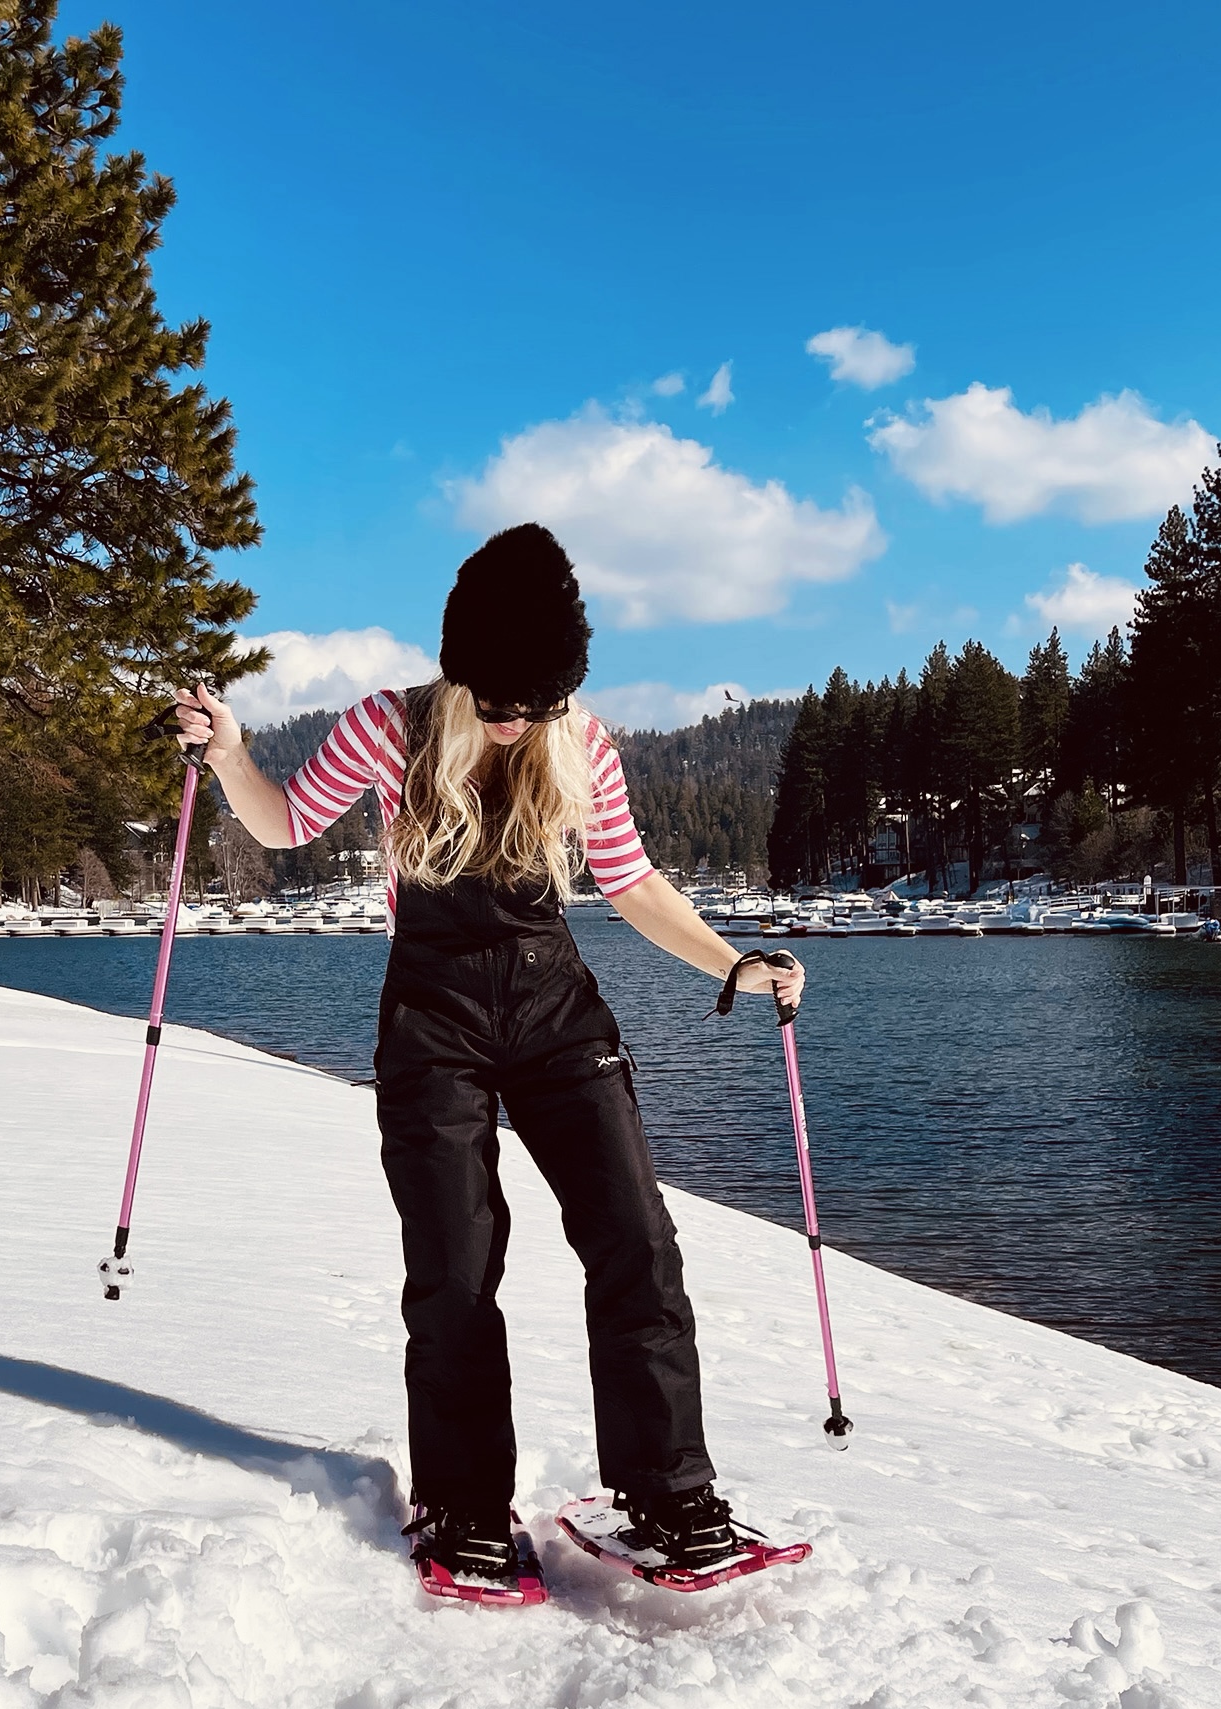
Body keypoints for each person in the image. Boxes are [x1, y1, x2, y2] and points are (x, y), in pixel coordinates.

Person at [175, 523, 804, 1593]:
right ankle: (462, 1503)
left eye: (536, 706)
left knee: (636, 1239)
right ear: (460, 673)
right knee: (458, 1263)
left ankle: (666, 1493)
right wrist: (230, 752)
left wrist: (729, 962)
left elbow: (633, 884)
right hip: (433, 1016)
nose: (515, 724)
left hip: (556, 1008)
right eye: (498, 703)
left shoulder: (581, 744)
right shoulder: (391, 727)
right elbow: (282, 824)